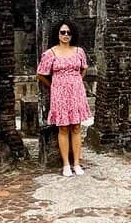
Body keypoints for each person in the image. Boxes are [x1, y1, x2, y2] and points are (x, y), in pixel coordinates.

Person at [36, 21, 91, 176]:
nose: (66, 35)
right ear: (57, 34)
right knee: (63, 127)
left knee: (76, 126)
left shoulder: (79, 51)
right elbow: (40, 74)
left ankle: (77, 163)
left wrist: (76, 80)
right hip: (59, 93)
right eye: (62, 32)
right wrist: (54, 84)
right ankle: (66, 164)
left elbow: (84, 68)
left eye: (68, 32)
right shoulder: (50, 53)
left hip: (76, 92)